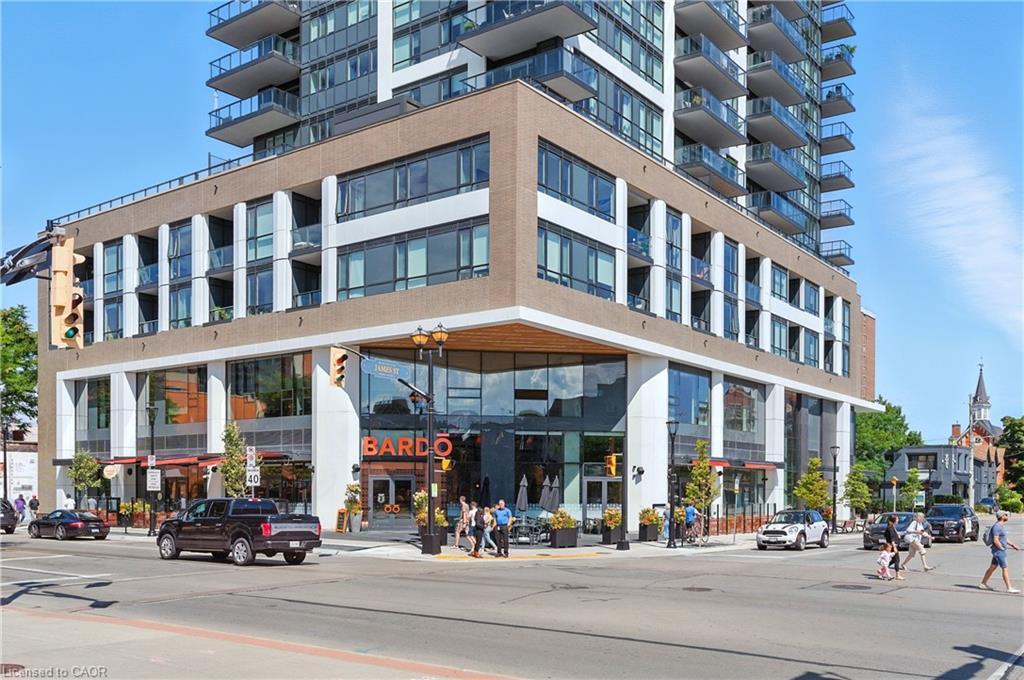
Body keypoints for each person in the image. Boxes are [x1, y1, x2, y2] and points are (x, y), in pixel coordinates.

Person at [980, 510, 1020, 593]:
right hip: (999, 551)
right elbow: (996, 540)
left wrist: (1013, 545)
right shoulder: (997, 527)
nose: (1007, 516)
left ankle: (983, 583)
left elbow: (1004, 539)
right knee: (1005, 568)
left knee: (992, 567)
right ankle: (1009, 588)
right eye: (1005, 515)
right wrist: (1001, 548)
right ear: (1001, 517)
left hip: (998, 551)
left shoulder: (1000, 526)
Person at [884, 514, 904, 580]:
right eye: (897, 519)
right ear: (893, 520)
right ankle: (897, 575)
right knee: (897, 560)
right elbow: (892, 538)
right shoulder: (890, 528)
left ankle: (883, 569)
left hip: (892, 546)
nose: (898, 520)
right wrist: (894, 547)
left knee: (893, 560)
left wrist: (898, 536)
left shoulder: (891, 527)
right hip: (893, 546)